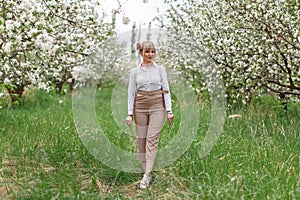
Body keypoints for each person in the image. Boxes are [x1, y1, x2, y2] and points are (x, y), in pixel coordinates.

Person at [126, 41, 174, 189]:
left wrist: (169, 110)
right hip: (139, 106)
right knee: (141, 141)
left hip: (157, 105)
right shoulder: (135, 72)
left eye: (153, 51)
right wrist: (129, 113)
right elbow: (131, 93)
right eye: (147, 52)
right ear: (141, 53)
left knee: (152, 140)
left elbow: (166, 89)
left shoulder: (160, 70)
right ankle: (147, 170)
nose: (150, 55)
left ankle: (146, 175)